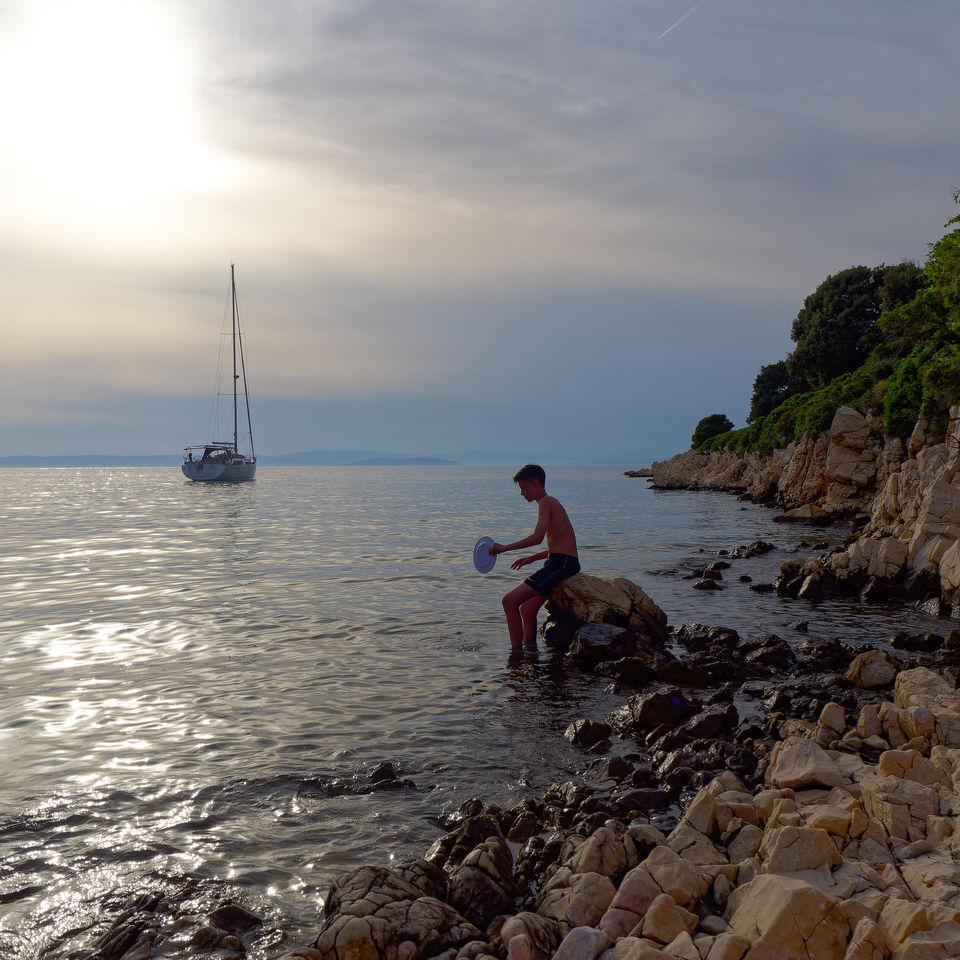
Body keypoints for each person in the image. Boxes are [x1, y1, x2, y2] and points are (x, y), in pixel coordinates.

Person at [489, 464, 580, 650]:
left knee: (509, 601)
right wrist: (531, 559)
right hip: (563, 562)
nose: (522, 493)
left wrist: (503, 548)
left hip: (561, 565)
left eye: (524, 488)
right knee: (527, 609)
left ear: (536, 483)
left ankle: (515, 654)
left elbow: (537, 538)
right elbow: (562, 544)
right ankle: (530, 652)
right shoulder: (551, 503)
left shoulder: (546, 502)